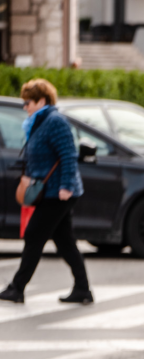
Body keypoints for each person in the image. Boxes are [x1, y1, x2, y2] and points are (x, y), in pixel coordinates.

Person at [0, 79, 90, 305]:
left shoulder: (55, 121)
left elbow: (68, 155)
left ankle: (17, 288)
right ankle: (83, 289)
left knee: (34, 235)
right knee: (65, 240)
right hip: (48, 190)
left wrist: (66, 186)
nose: (25, 107)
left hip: (58, 192)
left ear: (42, 101)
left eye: (28, 102)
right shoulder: (39, 122)